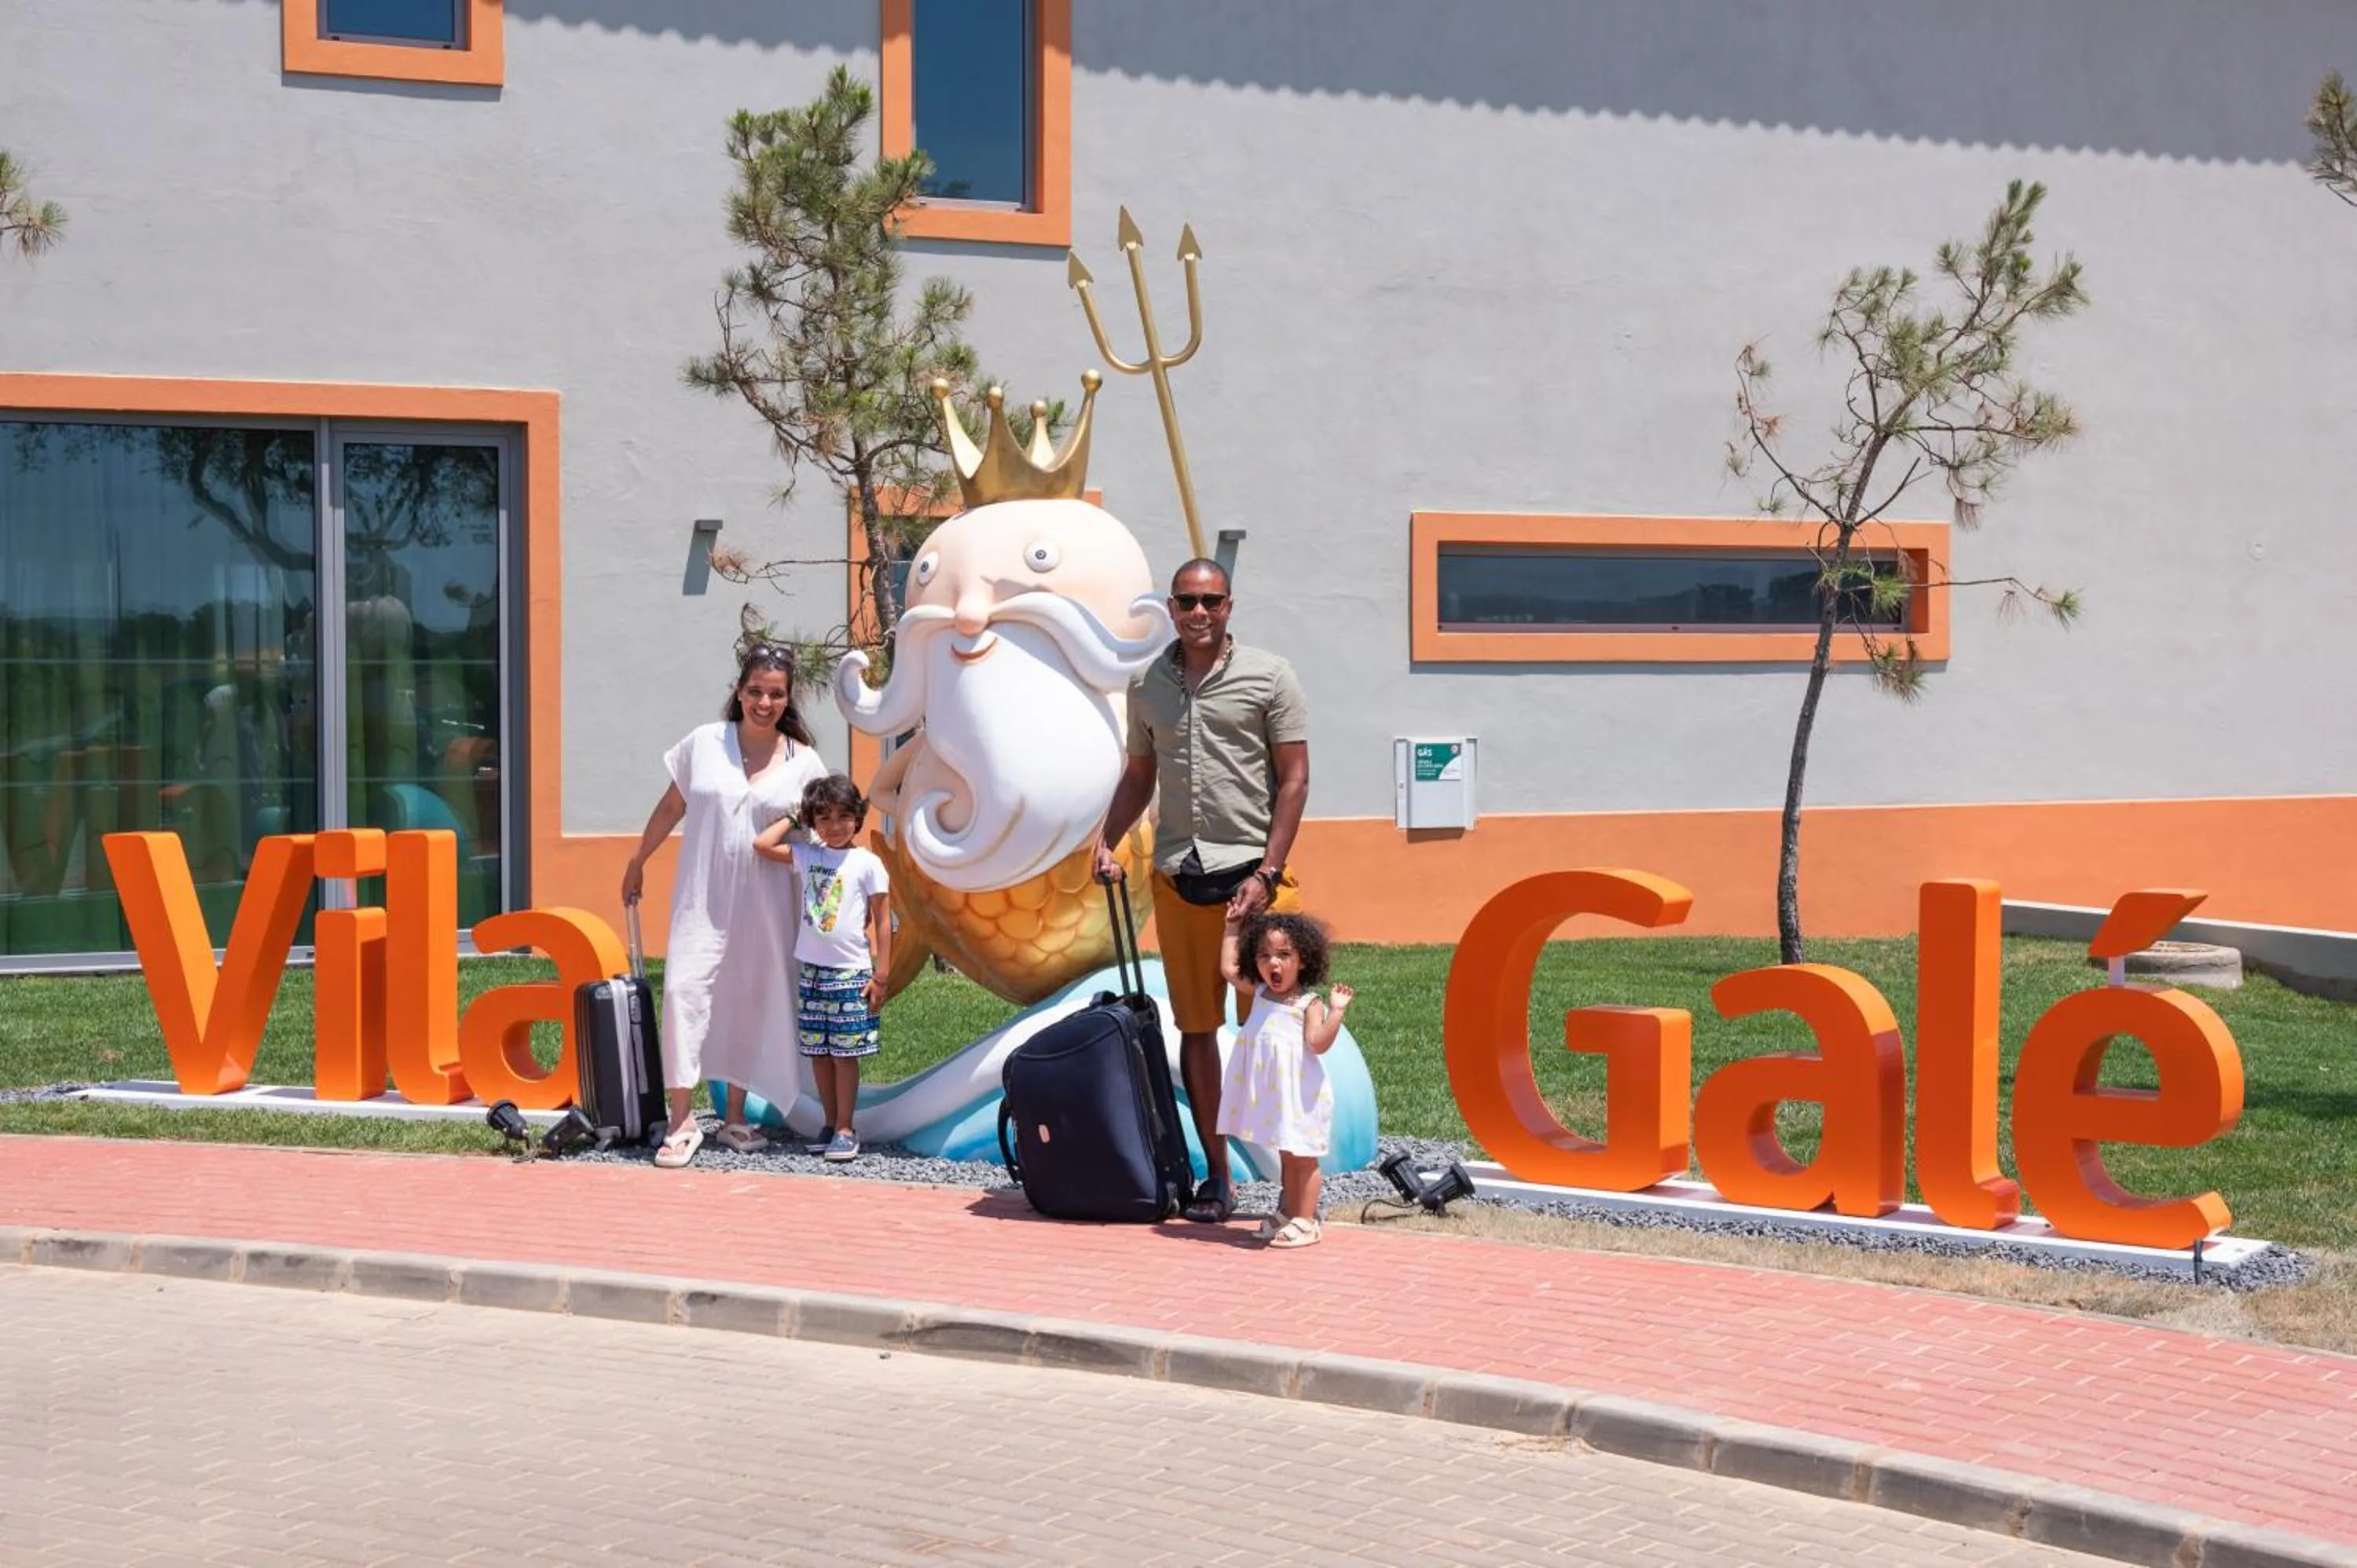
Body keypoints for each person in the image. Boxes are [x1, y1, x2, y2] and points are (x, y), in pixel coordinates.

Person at [1095, 558, 1310, 1225]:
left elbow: (1295, 780)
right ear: (1170, 606)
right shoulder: (1147, 684)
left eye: (1210, 601)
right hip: (1177, 875)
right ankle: (1218, 1178)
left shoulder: (1270, 676)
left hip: (1253, 880)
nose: (1199, 613)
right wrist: (1107, 840)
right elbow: (1139, 774)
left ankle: (1293, 1186)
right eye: (1187, 601)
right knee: (1196, 1029)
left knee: (1276, 1033)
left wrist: (1268, 872)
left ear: (1229, 606)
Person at [621, 645, 830, 1167]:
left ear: (788, 698)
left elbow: (821, 836)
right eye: (755, 691)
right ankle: (681, 1119)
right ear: (740, 691)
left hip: (766, 905)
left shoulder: (803, 762)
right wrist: (638, 859)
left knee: (748, 999)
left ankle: (734, 1117)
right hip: (703, 899)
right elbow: (673, 805)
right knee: (686, 993)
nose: (764, 701)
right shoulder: (704, 744)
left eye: (775, 693)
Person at [755, 774, 891, 1163]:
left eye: (844, 817)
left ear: (858, 818)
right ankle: (830, 1124)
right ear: (814, 822)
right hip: (813, 972)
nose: (835, 827)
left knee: (844, 1054)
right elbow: (762, 845)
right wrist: (796, 818)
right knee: (819, 1053)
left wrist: (882, 975)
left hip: (851, 973)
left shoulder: (867, 863)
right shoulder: (809, 855)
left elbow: (883, 920)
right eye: (824, 818)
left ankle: (847, 1128)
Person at [1217, 908, 1350, 1249]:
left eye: (1284, 955)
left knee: (1303, 1157)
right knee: (1287, 1155)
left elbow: (1317, 1043)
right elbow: (1229, 969)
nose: (1272, 964)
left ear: (1303, 960)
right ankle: (1290, 1212)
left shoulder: (1308, 1003)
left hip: (1299, 1094)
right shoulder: (1261, 992)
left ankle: (1306, 1221)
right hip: (1277, 1095)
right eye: (1264, 956)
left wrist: (1336, 1011)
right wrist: (1232, 926)